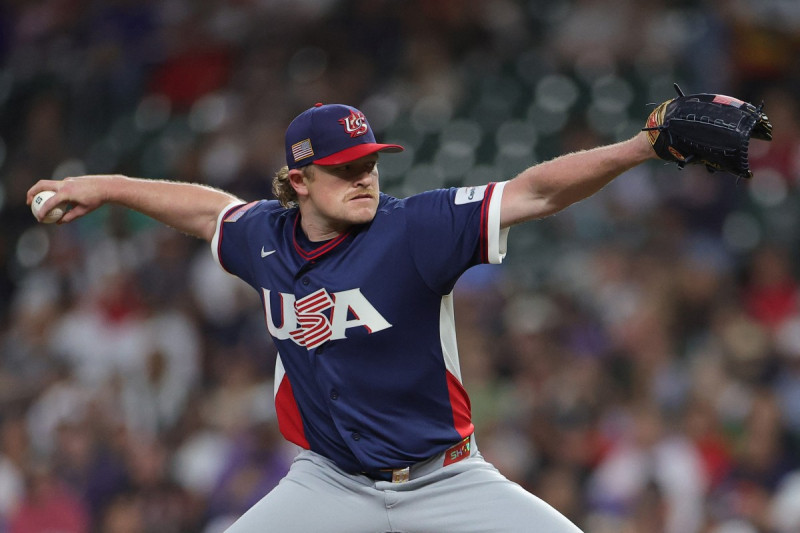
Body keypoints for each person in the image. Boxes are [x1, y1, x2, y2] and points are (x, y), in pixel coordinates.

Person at [28, 102, 657, 532]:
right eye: (344, 168)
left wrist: (639, 147)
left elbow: (534, 192)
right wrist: (105, 186)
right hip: (329, 482)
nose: (364, 178)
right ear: (300, 181)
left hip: (445, 477)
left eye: (369, 162)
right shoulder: (265, 239)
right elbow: (205, 211)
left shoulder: (415, 229)